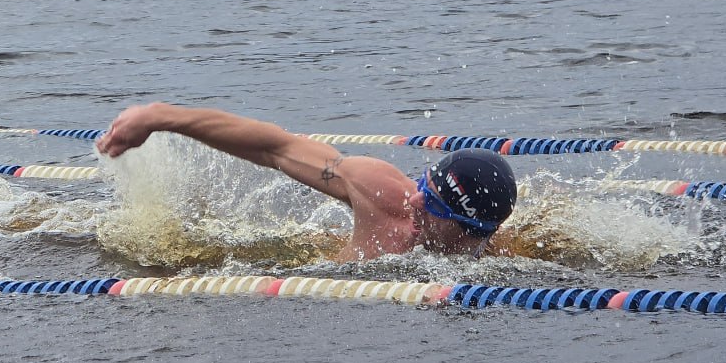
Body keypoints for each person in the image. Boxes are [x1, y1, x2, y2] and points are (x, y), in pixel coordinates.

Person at [96, 102, 517, 261]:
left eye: (435, 205)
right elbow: (275, 147)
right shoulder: (382, 193)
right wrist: (159, 117)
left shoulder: (502, 257)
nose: (417, 203)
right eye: (423, 187)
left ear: (471, 232)